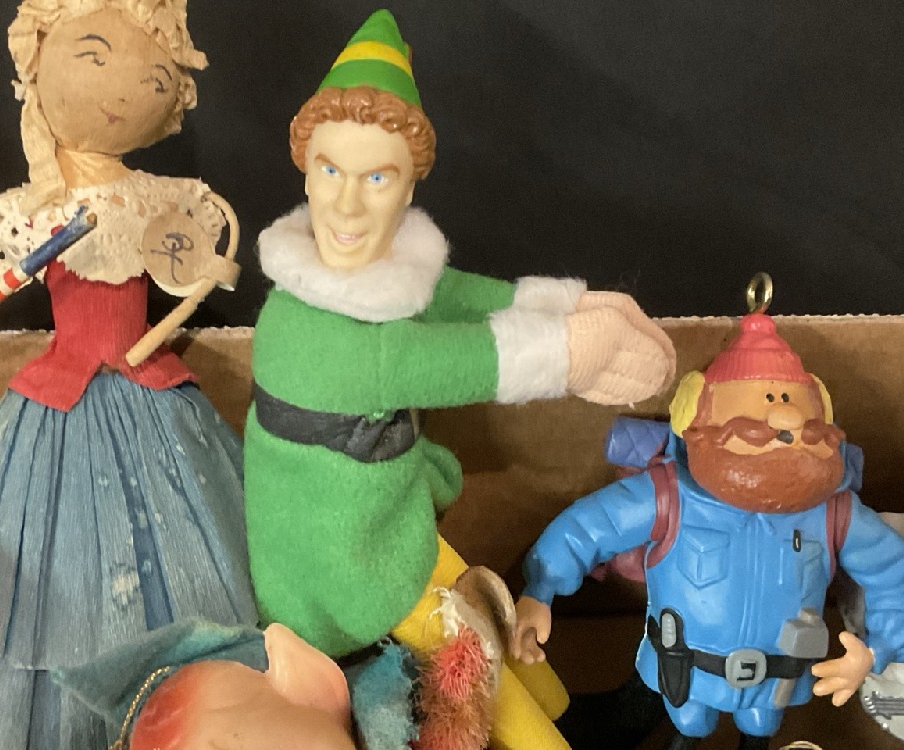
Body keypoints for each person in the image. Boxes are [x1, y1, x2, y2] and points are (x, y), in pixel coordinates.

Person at [244, 10, 676, 750]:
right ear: (306, 172)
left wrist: (566, 304)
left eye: (377, 177)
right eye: (331, 171)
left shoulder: (368, 275)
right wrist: (575, 350)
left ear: (409, 185)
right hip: (339, 571)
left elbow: (444, 295)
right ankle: (551, 742)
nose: (347, 204)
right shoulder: (308, 328)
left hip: (386, 524)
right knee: (466, 645)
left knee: (486, 606)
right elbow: (469, 361)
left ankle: (568, 712)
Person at [0, 2, 255, 747]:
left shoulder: (160, 199)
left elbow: (211, 251)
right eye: (92, 58)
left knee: (201, 547)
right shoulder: (36, 209)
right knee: (38, 569)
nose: (121, 91)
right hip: (60, 394)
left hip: (154, 387)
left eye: (154, 78)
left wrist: (190, 295)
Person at [513, 302, 904, 750]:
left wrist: (879, 650)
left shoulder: (833, 512)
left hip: (777, 681)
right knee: (688, 726)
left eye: (790, 402)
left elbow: (898, 571)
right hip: (684, 671)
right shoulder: (670, 496)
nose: (782, 419)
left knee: (760, 728)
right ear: (697, 419)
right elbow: (589, 528)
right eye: (763, 404)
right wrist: (540, 589)